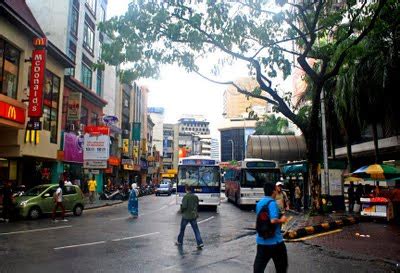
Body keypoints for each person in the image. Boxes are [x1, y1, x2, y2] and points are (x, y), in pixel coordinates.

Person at [254, 182, 288, 273]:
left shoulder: (259, 203)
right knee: (281, 267)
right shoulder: (272, 203)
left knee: (258, 268)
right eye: (276, 189)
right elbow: (273, 220)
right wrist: (282, 220)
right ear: (273, 191)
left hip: (261, 241)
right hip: (275, 242)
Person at [176, 184, 204, 249]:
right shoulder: (195, 197)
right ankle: (200, 243)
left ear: (186, 189)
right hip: (193, 216)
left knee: (182, 230)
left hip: (186, 216)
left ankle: (179, 241)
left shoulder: (186, 197)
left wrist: (182, 210)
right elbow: (197, 205)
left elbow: (184, 206)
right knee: (196, 230)